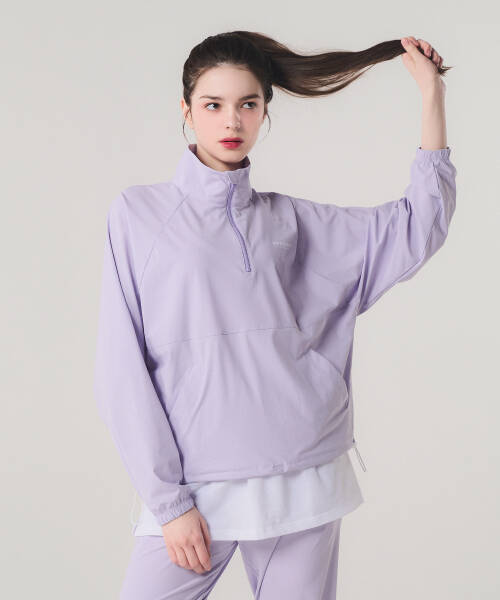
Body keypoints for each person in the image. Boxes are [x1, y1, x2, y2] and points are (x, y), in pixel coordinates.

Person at [94, 31, 456, 599]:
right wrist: (168, 504)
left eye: (248, 104)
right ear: (185, 110)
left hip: (301, 475)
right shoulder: (138, 216)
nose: (231, 120)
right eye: (213, 104)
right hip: (196, 485)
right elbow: (120, 371)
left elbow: (417, 226)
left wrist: (431, 96)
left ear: (265, 111)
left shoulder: (291, 222)